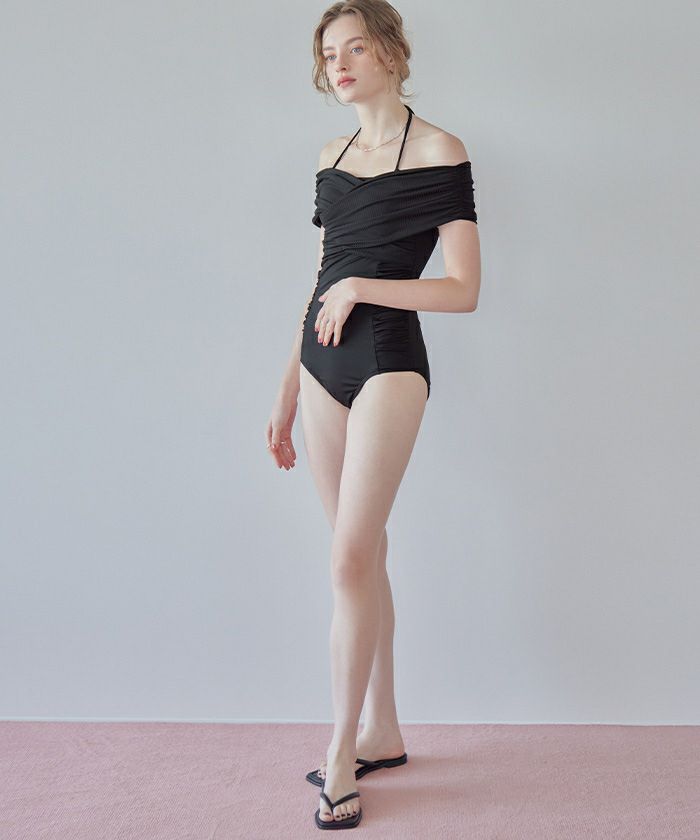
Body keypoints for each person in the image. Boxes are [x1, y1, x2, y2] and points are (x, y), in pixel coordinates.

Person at [265, 0, 481, 829]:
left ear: (391, 52)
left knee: (350, 559)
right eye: (331, 54)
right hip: (321, 367)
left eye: (356, 47)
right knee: (362, 557)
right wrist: (286, 390)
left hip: (390, 359)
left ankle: (339, 753)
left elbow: (462, 289)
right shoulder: (330, 156)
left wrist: (363, 287)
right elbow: (321, 280)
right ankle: (381, 729)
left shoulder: (440, 150)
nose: (342, 63)